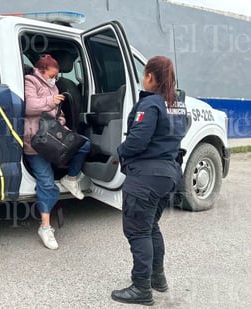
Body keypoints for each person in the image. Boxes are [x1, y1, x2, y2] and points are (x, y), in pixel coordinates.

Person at [111, 56, 187, 306]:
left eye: (144, 75)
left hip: (147, 177)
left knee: (138, 230)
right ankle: (158, 279)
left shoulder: (151, 104)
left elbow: (137, 141)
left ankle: (141, 288)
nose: (143, 79)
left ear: (150, 77)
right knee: (151, 227)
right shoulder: (177, 104)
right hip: (169, 174)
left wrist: (120, 151)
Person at [24, 54, 91, 250]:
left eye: (56, 76)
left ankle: (70, 178)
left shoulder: (53, 86)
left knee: (83, 144)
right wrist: (51, 100)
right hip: (37, 141)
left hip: (54, 135)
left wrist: (63, 126)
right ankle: (45, 227)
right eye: (52, 75)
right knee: (46, 183)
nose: (55, 79)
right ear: (41, 71)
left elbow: (58, 112)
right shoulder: (31, 81)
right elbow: (29, 107)